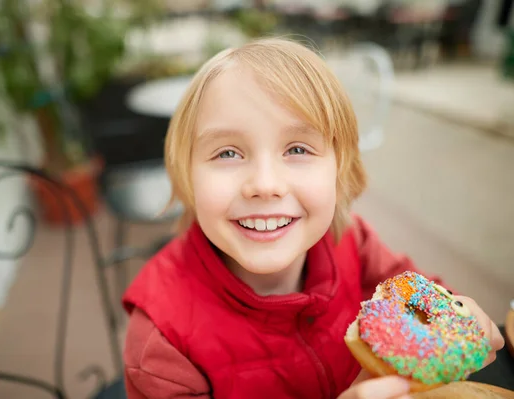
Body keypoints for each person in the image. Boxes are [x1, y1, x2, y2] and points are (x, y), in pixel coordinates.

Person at [121, 37, 504, 399]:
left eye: (298, 148)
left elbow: (421, 299)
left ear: (340, 171)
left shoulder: (353, 240)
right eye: (227, 154)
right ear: (186, 175)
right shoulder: (161, 340)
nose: (265, 185)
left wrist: (458, 314)